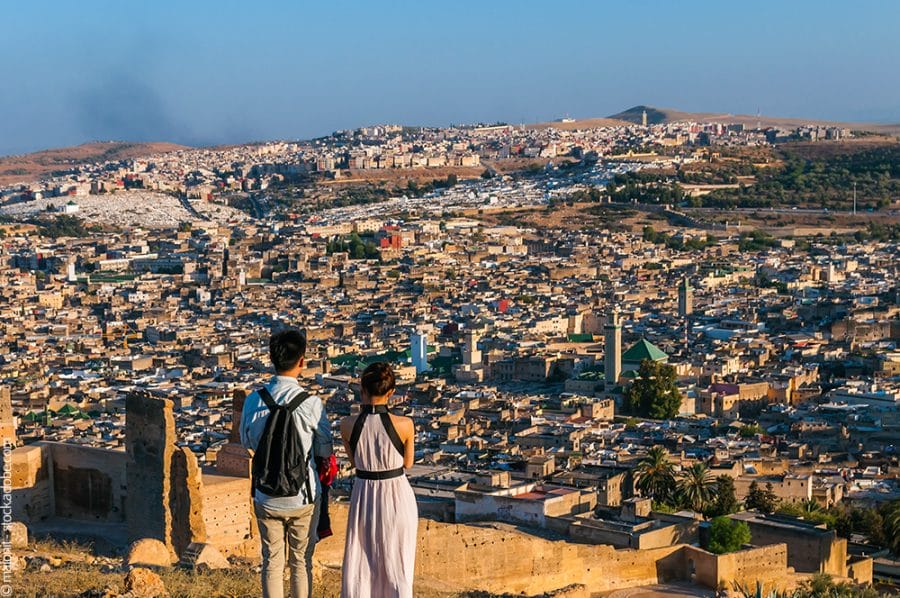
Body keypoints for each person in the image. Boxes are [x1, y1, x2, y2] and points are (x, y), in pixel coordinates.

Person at [240, 329, 333, 598]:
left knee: (271, 561)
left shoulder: (253, 400)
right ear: (302, 361)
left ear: (271, 359)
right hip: (303, 497)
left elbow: (247, 441)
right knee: (301, 563)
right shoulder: (312, 404)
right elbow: (324, 449)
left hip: (266, 495)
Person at [340, 362, 418, 598]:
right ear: (391, 392)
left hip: (364, 495)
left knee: (363, 560)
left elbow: (354, 463)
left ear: (362, 389)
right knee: (398, 563)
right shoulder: (405, 425)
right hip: (397, 494)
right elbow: (408, 463)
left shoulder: (347, 425)